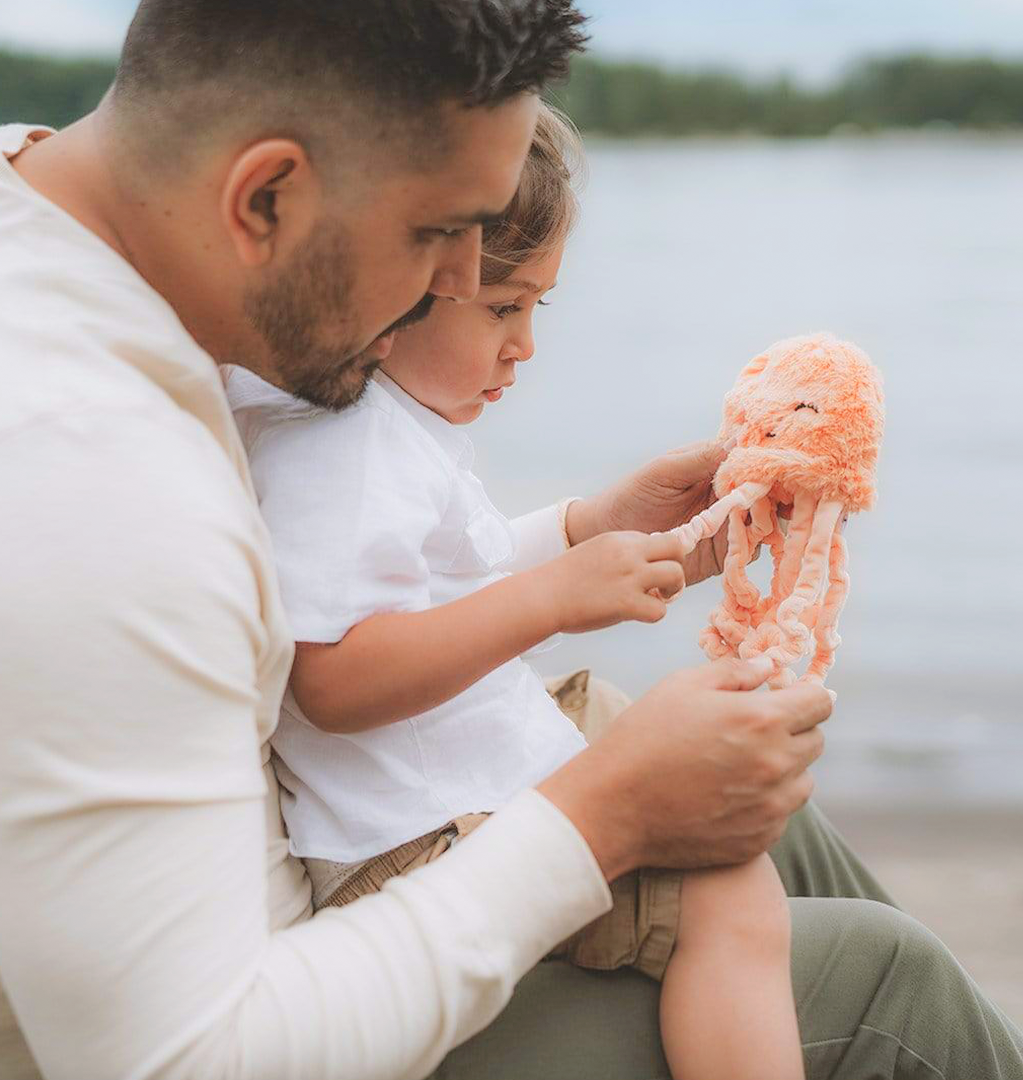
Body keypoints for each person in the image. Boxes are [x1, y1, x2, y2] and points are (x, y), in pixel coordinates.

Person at [0, 3, 1023, 1079]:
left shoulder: (68, 217)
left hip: (343, 874)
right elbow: (185, 1059)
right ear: (264, 194)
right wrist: (606, 814)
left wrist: (576, 536)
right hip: (307, 985)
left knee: (765, 818)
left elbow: (350, 584)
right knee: (886, 975)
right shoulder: (88, 484)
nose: (458, 288)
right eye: (435, 233)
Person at [226, 103, 804, 1080]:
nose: (526, 344)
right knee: (733, 898)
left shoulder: (374, 423)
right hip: (414, 847)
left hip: (430, 812)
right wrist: (557, 597)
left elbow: (433, 582)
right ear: (399, 282)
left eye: (539, 307)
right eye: (503, 307)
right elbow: (330, 676)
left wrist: (597, 534)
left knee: (715, 800)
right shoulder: (348, 452)